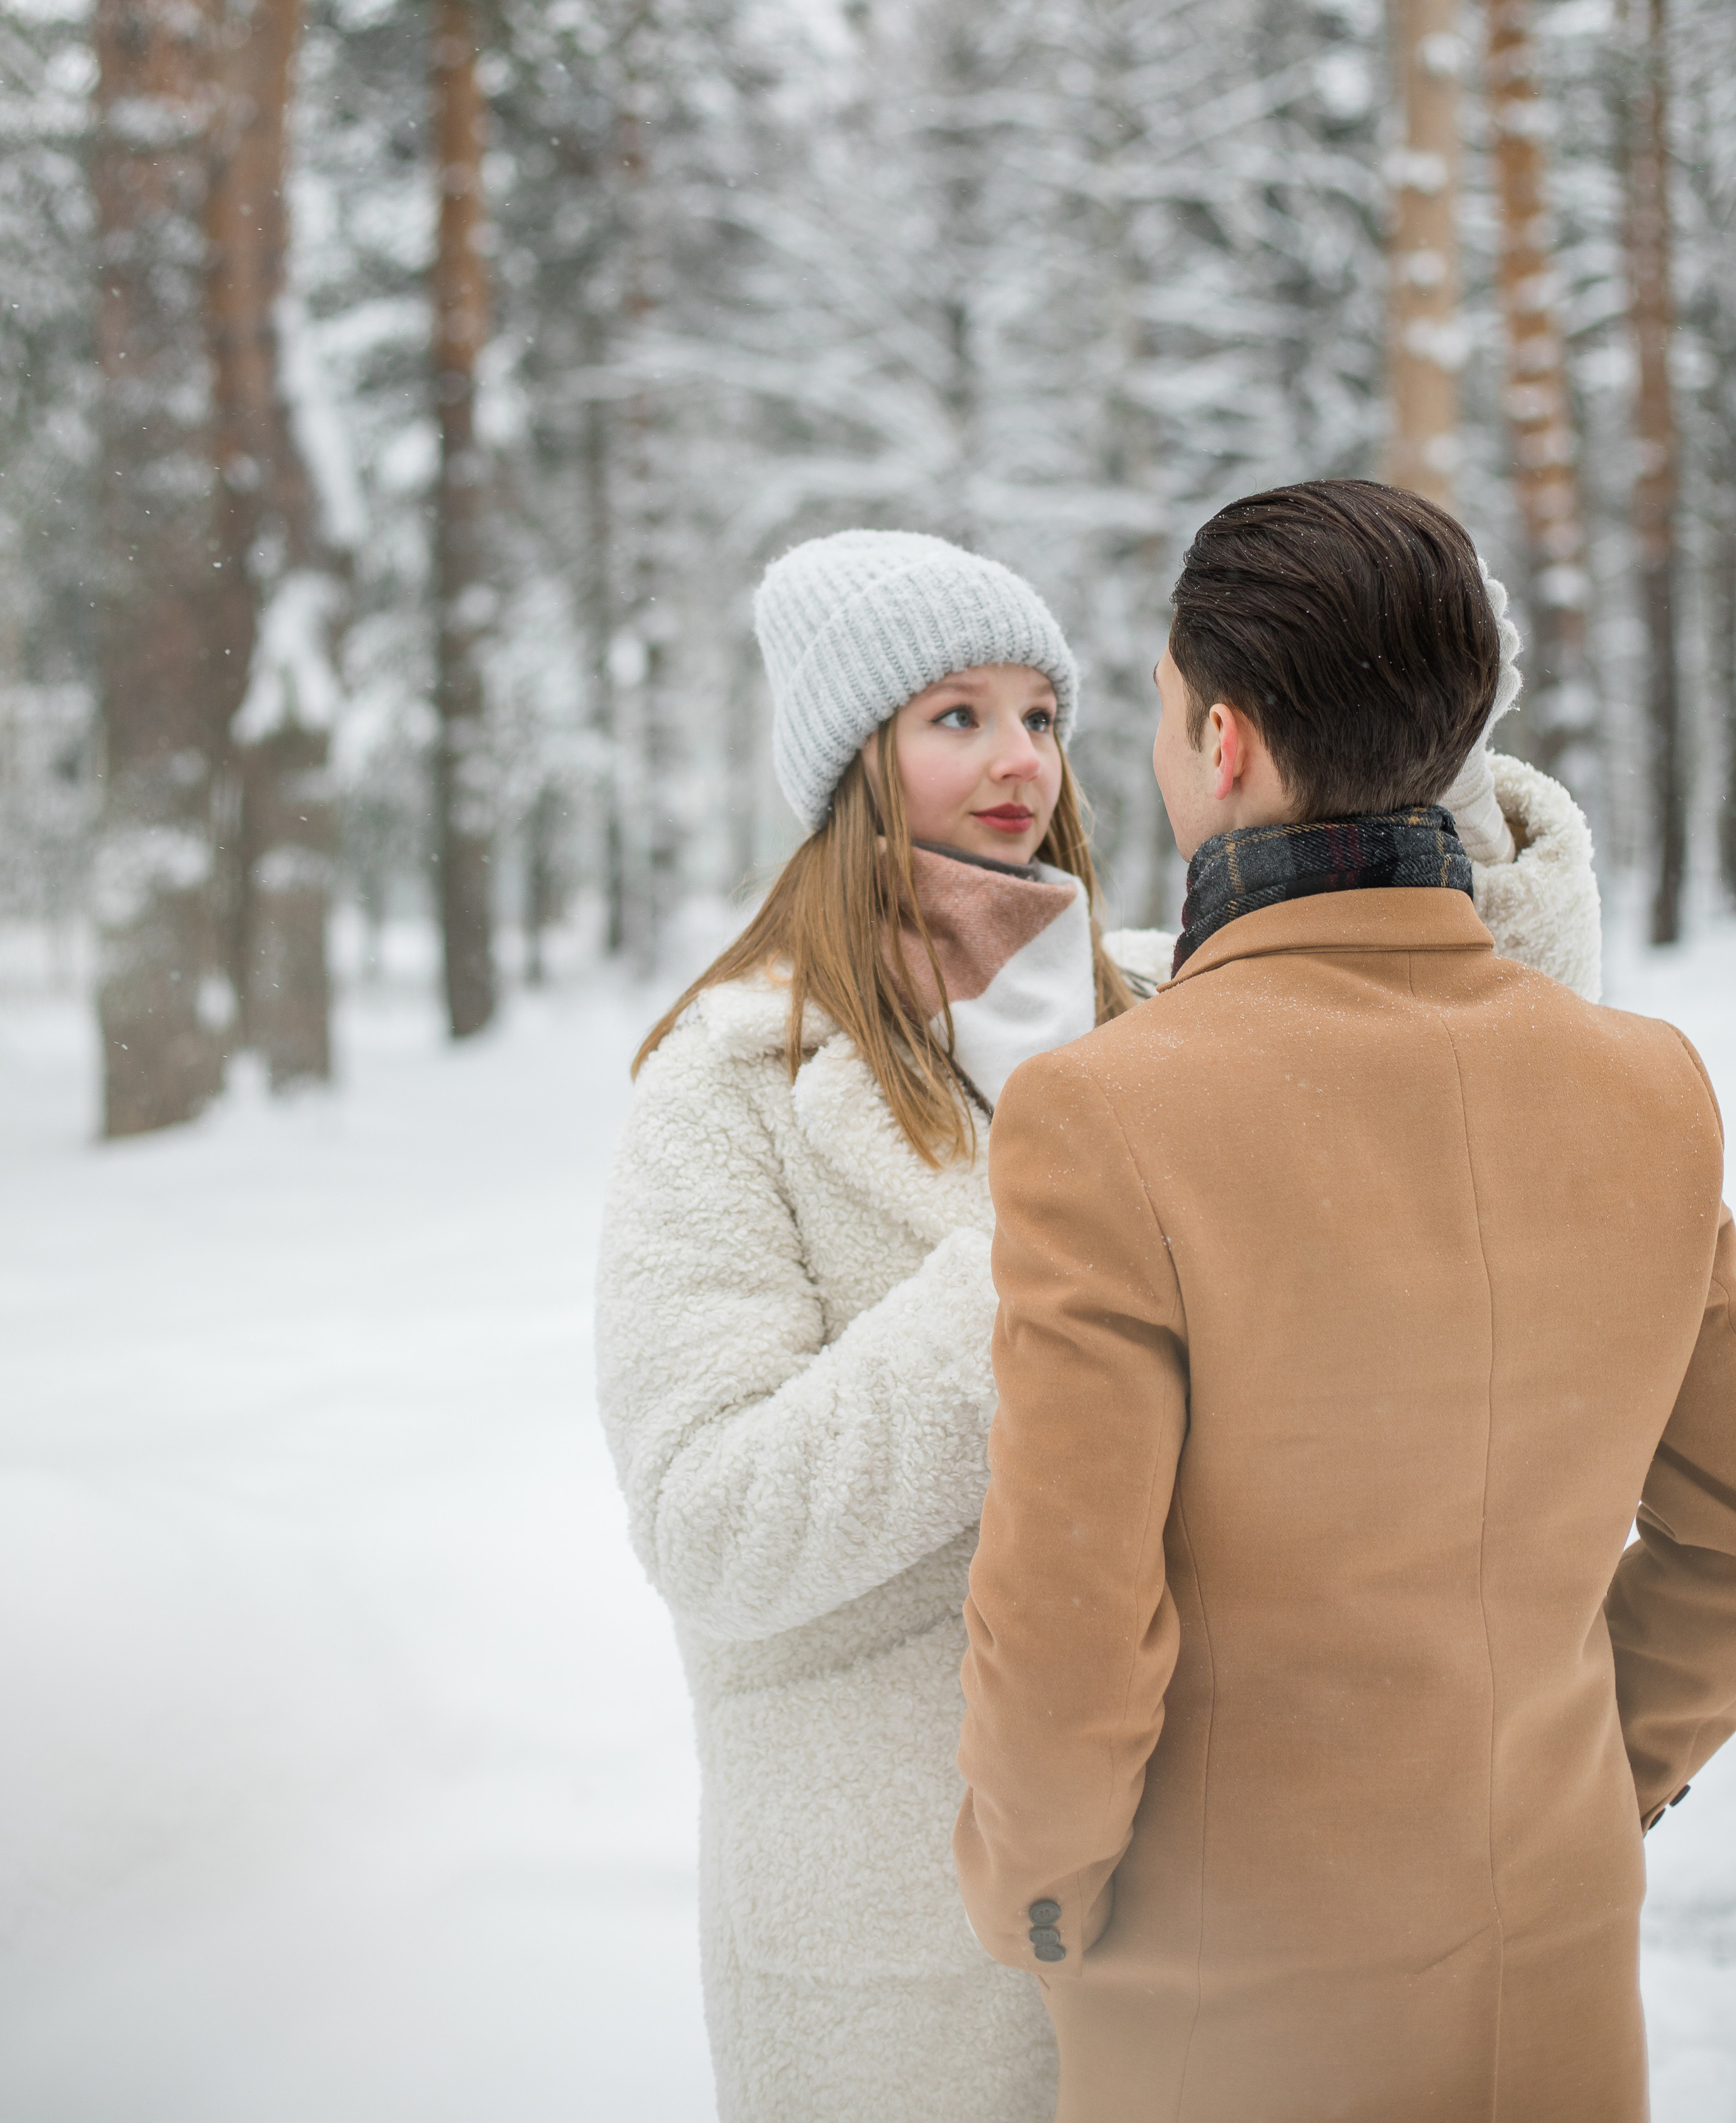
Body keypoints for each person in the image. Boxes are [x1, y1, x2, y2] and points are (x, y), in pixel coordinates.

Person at [595, 523, 1602, 2123]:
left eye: (1043, 715)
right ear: (851, 761)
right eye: (954, 718)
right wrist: (1045, 1252)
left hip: (1193, 1889)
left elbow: (1465, 999)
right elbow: (713, 1526)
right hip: (896, 1927)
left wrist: (1439, 744)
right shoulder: (725, 1090)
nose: (1015, 760)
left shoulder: (1156, 998)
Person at [953, 480, 1736, 2123]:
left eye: (1163, 718)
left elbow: (1068, 1622)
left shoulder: (1108, 1116)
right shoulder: (1651, 1089)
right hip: (1552, 1973)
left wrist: (1038, 1900)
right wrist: (1605, 1775)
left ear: (1220, 742)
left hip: (1224, 2008)